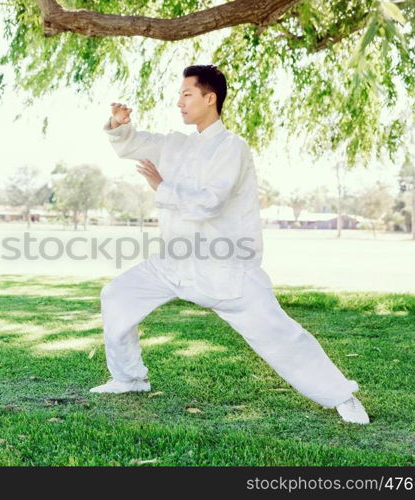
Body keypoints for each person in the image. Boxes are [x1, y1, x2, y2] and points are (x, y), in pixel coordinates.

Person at [90, 64, 370, 425]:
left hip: (225, 268)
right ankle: (129, 378)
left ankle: (341, 396)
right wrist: (119, 123)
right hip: (173, 262)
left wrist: (161, 186)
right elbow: (131, 144)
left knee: (280, 335)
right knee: (117, 296)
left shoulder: (232, 148)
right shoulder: (175, 144)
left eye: (187, 94)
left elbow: (210, 202)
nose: (179, 102)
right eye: (179, 95)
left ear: (211, 98)